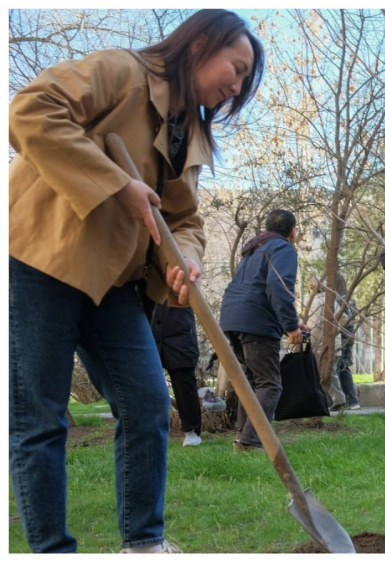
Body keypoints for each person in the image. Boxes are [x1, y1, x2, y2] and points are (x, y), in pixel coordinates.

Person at [8, 9, 265, 553]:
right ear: (198, 45)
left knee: (148, 403)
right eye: (236, 68)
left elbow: (185, 220)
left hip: (114, 284)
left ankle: (144, 544)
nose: (236, 85)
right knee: (41, 416)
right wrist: (115, 183)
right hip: (42, 260)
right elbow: (31, 111)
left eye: (244, 80)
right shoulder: (120, 72)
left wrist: (186, 260)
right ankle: (51, 550)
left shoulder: (188, 132)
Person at [220, 209, 306, 451]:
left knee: (250, 381)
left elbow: (254, 289)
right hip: (256, 322)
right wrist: (290, 327)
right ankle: (250, 441)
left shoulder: (253, 250)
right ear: (292, 232)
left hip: (232, 318)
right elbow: (278, 287)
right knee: (269, 384)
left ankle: (242, 436)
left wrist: (292, 322)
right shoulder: (283, 248)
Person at [150, 303, 203, 446]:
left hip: (179, 333)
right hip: (150, 329)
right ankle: (149, 430)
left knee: (184, 382)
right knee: (147, 382)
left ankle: (191, 430)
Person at [330, 296, 361, 411]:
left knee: (339, 367)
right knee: (343, 366)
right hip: (348, 333)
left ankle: (348, 401)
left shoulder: (336, 298)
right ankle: (350, 401)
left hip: (342, 335)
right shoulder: (347, 298)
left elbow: (343, 320)